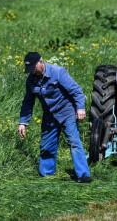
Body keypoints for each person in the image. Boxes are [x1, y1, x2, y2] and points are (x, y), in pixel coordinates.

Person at [18, 52, 91, 183]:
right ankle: (47, 176)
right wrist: (23, 122)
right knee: (46, 145)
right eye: (30, 70)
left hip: (67, 112)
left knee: (74, 142)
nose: (32, 73)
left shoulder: (58, 72)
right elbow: (28, 102)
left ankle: (83, 175)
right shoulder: (31, 80)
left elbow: (76, 90)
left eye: (33, 69)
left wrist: (80, 108)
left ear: (41, 62)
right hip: (49, 115)